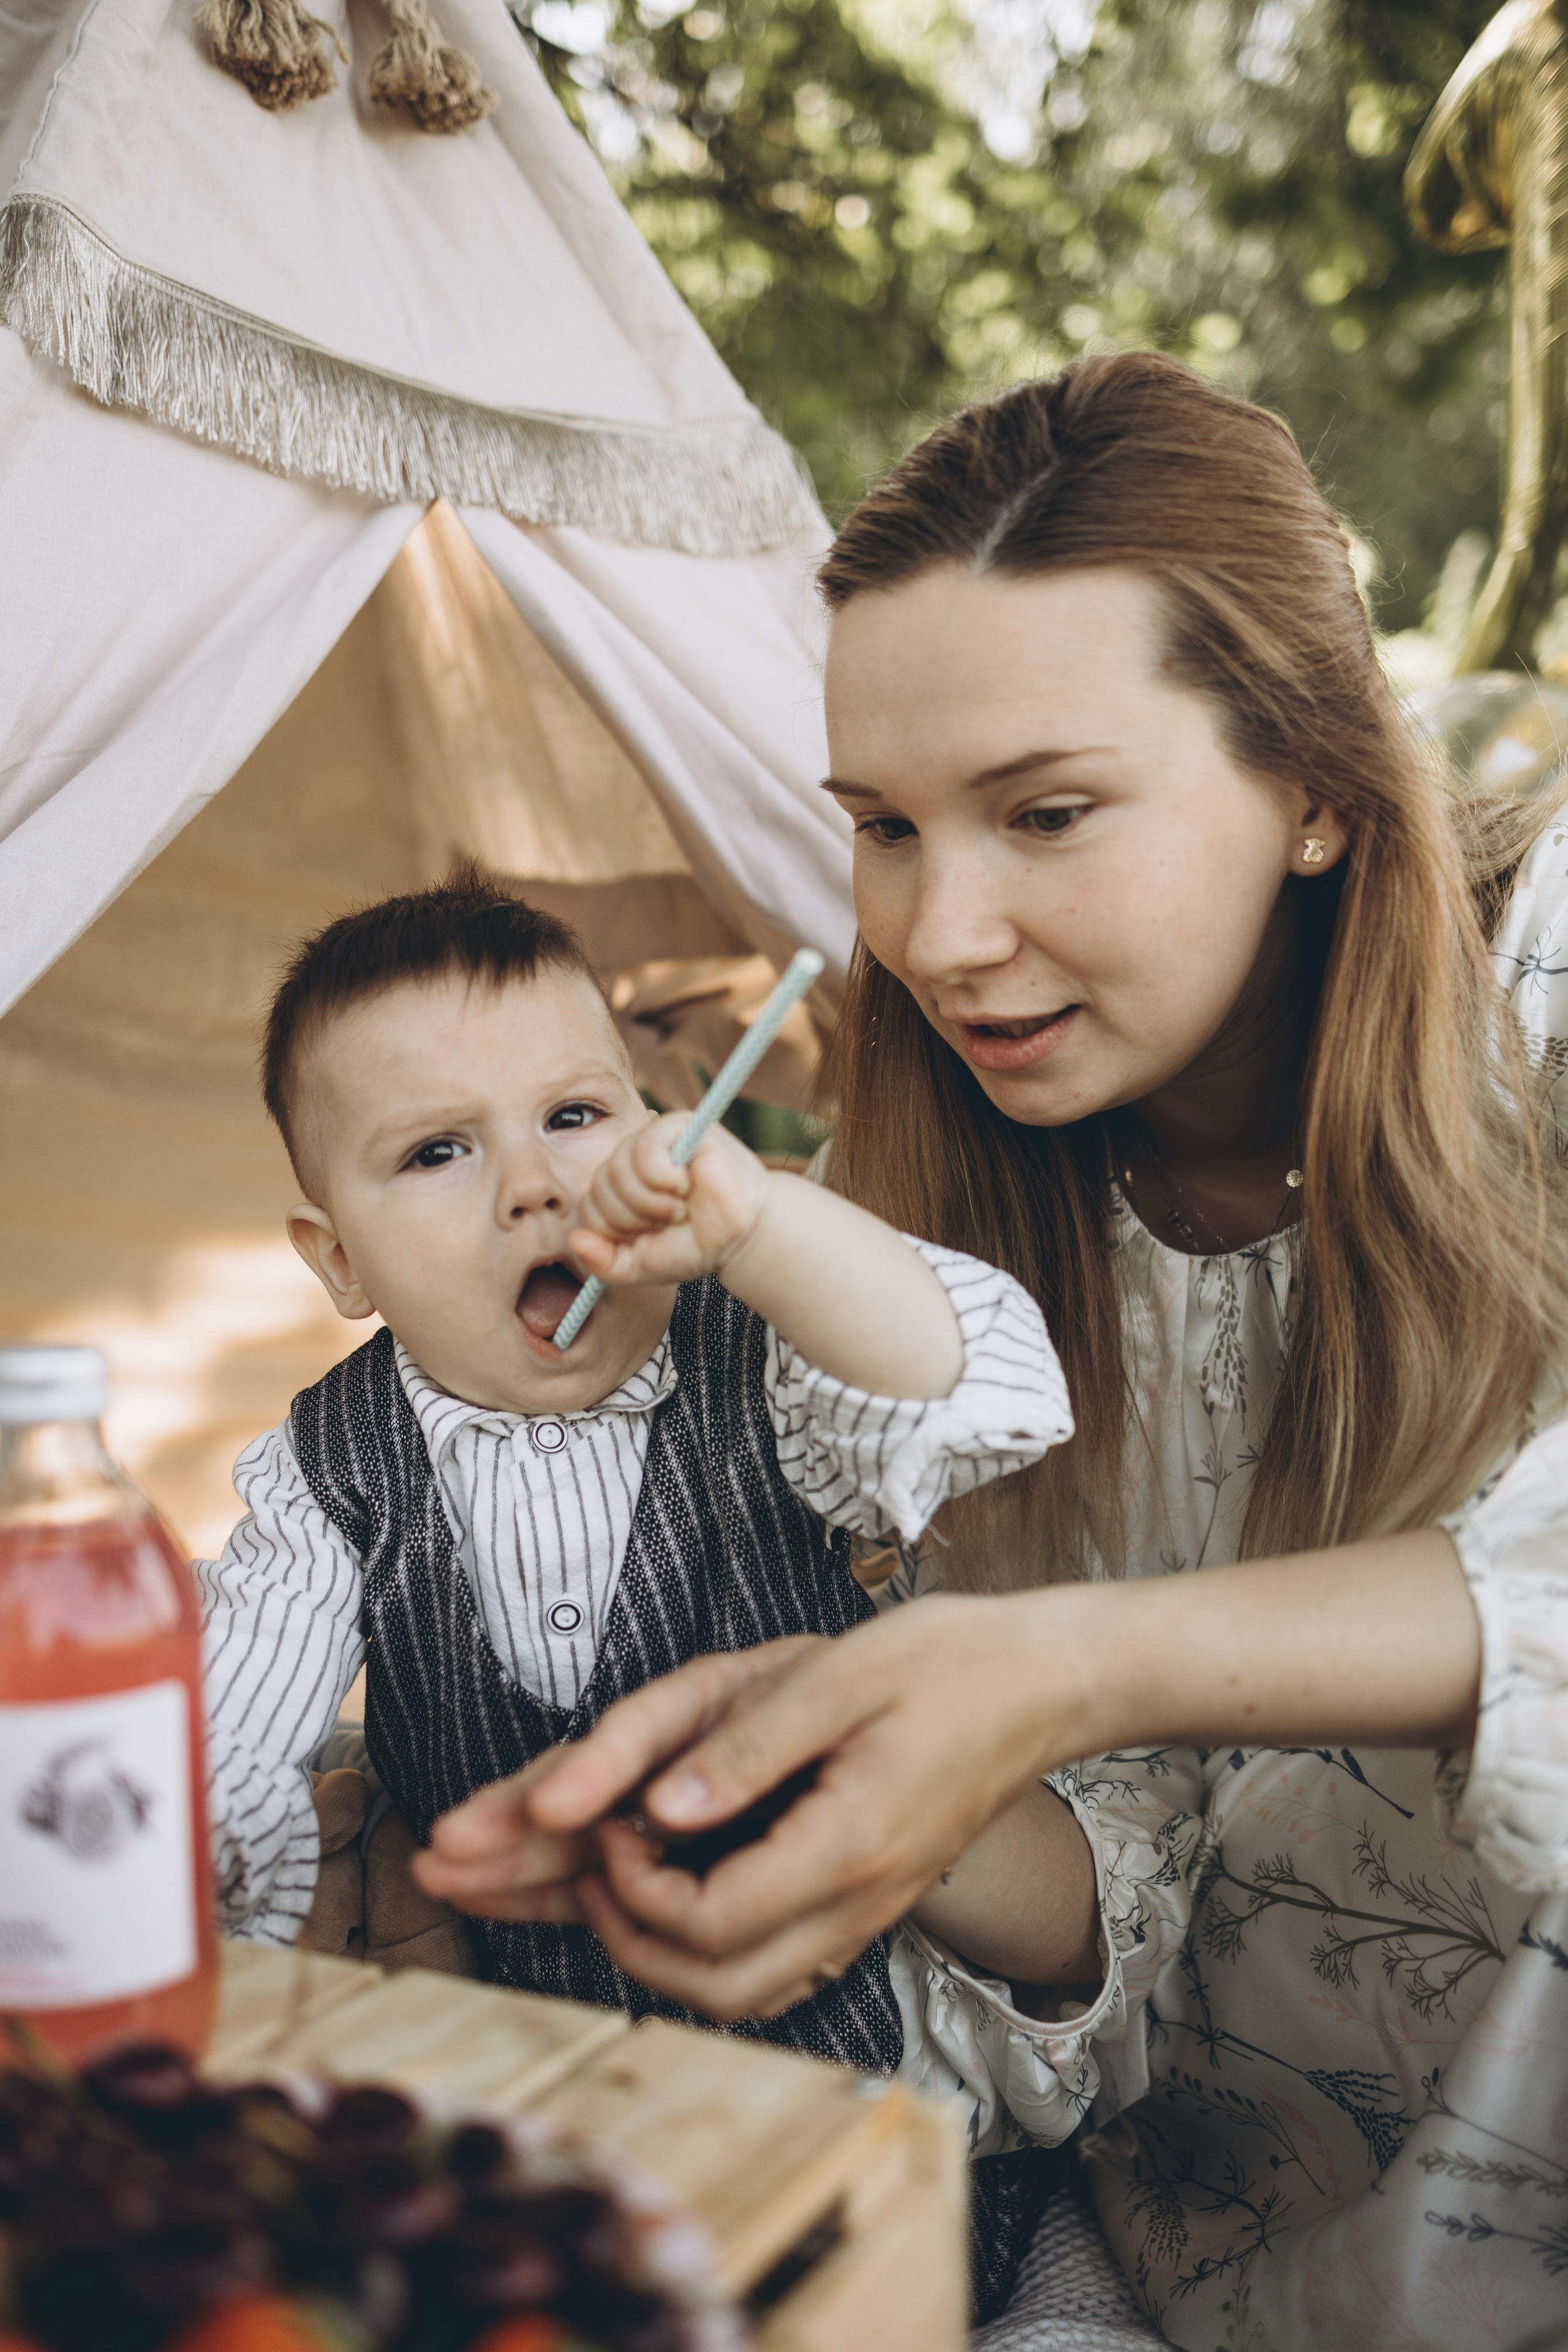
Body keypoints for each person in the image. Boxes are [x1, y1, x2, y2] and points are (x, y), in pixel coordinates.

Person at [416, 357, 1568, 2350]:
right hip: (1183, 2281)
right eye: (881, 825)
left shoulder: (1543, 981)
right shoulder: (938, 1278)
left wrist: (1057, 1664)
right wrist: (896, 1774)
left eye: (1047, 814)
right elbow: (1126, 1927)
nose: (938, 934)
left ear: (1314, 785)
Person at [194, 869, 1076, 2312]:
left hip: (846, 2087)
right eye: (436, 1152)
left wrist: (762, 1230)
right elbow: (227, 1748)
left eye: (574, 1116)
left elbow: (979, 1393)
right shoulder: (326, 1469)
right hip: (548, 2115)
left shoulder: (763, 1359)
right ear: (339, 1261)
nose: (534, 1184)